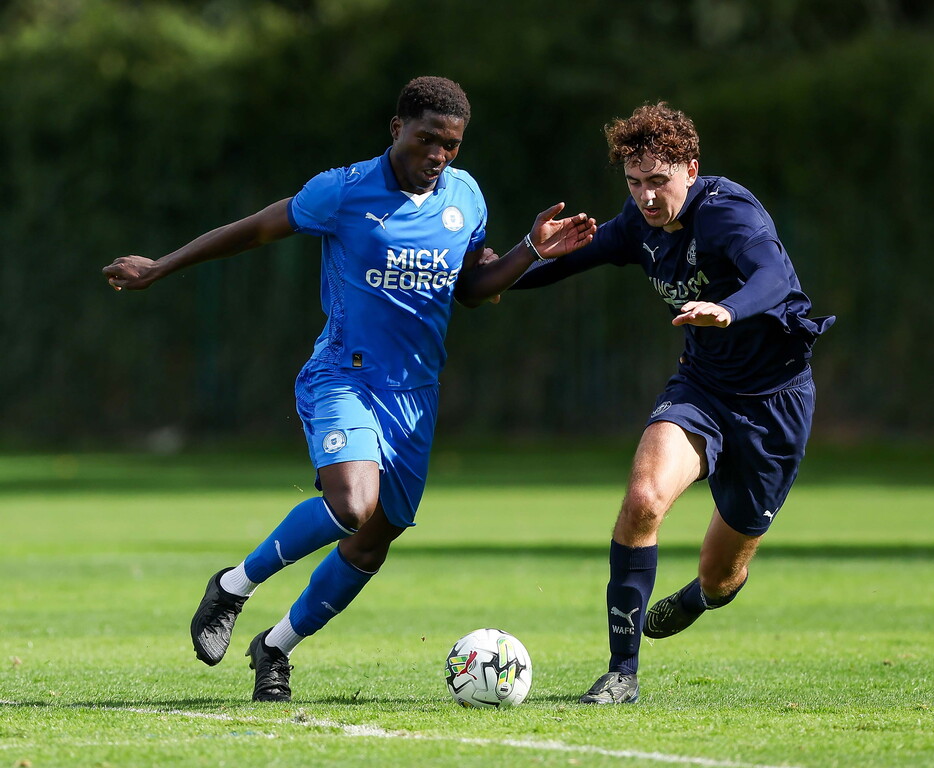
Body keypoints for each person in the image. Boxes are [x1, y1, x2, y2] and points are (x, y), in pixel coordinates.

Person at [102, 76, 596, 702]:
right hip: (344, 374)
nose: (437, 156)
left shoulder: (465, 198)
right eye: (426, 140)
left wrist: (531, 249)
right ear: (397, 131)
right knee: (350, 505)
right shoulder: (341, 190)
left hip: (416, 396)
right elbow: (254, 229)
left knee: (371, 541)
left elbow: (472, 290)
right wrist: (160, 266)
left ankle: (274, 648)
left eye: (451, 145)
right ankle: (232, 587)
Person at [500, 102, 833, 704]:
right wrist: (497, 276)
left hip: (774, 402)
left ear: (690, 167)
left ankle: (703, 597)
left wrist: (728, 309)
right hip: (701, 389)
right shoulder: (639, 225)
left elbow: (774, 279)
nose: (647, 196)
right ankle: (621, 672)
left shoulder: (728, 213)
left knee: (721, 575)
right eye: (635, 182)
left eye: (659, 180)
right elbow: (573, 260)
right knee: (644, 500)